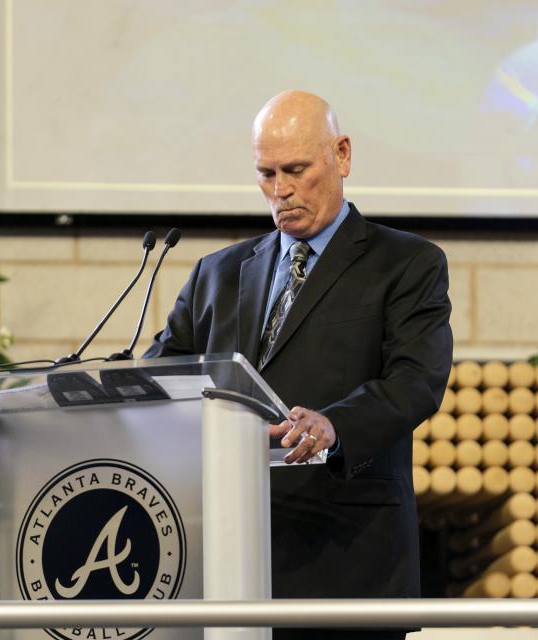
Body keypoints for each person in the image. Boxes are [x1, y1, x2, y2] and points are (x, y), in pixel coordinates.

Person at [144, 90, 453, 639]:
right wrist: (39, 430)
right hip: (223, 566)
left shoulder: (406, 264)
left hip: (346, 562)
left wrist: (335, 425)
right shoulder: (217, 273)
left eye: (295, 169)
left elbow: (415, 381)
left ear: (343, 156)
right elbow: (154, 382)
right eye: (266, 173)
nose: (280, 190)